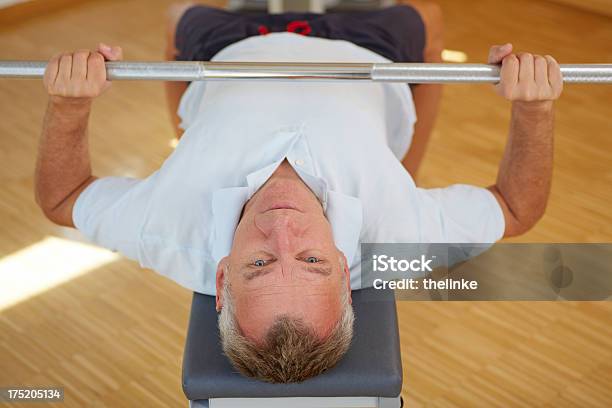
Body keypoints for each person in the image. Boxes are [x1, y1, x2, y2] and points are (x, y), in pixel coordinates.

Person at [35, 1, 562, 384]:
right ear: (344, 269)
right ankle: (403, 159)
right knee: (426, 15)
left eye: (259, 264)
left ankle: (187, 124)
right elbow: (517, 208)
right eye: (312, 260)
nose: (282, 227)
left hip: (229, 48)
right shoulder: (395, 243)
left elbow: (62, 199)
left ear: (221, 280)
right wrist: (534, 108)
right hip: (370, 51)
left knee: (180, 15)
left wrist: (70, 105)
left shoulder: (168, 232)